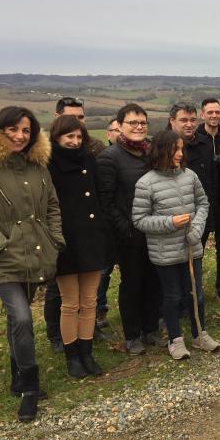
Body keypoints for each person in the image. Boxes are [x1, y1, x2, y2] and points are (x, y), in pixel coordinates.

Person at [0, 107, 64, 422]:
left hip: (36, 254)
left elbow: (52, 206)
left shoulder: (37, 164)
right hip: (2, 259)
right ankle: (30, 388)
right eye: (13, 130)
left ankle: (16, 376)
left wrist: (54, 239)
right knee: (20, 317)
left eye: (26, 131)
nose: (20, 136)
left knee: (17, 322)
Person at [133, 130, 220, 359]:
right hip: (165, 253)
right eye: (176, 149)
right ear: (162, 150)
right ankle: (175, 340)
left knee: (196, 294)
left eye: (182, 149)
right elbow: (139, 220)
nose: (180, 154)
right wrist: (170, 222)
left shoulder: (189, 176)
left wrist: (197, 229)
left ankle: (200, 334)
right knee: (172, 297)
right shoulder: (146, 183)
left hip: (192, 247)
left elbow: (203, 203)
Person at [47, 115, 110, 378]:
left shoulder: (90, 161)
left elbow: (99, 195)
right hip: (66, 243)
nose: (74, 142)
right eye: (68, 137)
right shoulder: (48, 165)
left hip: (92, 239)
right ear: (57, 138)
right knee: (70, 303)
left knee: (90, 301)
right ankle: (72, 356)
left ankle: (87, 352)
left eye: (78, 137)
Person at [97, 103, 161, 355]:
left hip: (155, 231)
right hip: (128, 235)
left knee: (153, 282)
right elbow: (106, 201)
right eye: (132, 123)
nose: (138, 127)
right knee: (132, 284)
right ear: (120, 125)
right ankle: (132, 335)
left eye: (142, 122)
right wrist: (126, 229)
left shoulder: (151, 153)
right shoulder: (109, 158)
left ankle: (151, 328)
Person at [197, 99, 220, 299]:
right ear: (203, 115)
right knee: (198, 248)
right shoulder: (195, 138)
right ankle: (195, 290)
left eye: (217, 112)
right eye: (210, 112)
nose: (214, 116)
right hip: (201, 202)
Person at [95, 118, 121, 331]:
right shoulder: (101, 157)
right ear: (108, 134)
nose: (120, 134)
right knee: (103, 272)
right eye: (116, 130)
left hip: (128, 225)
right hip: (106, 226)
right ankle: (98, 310)